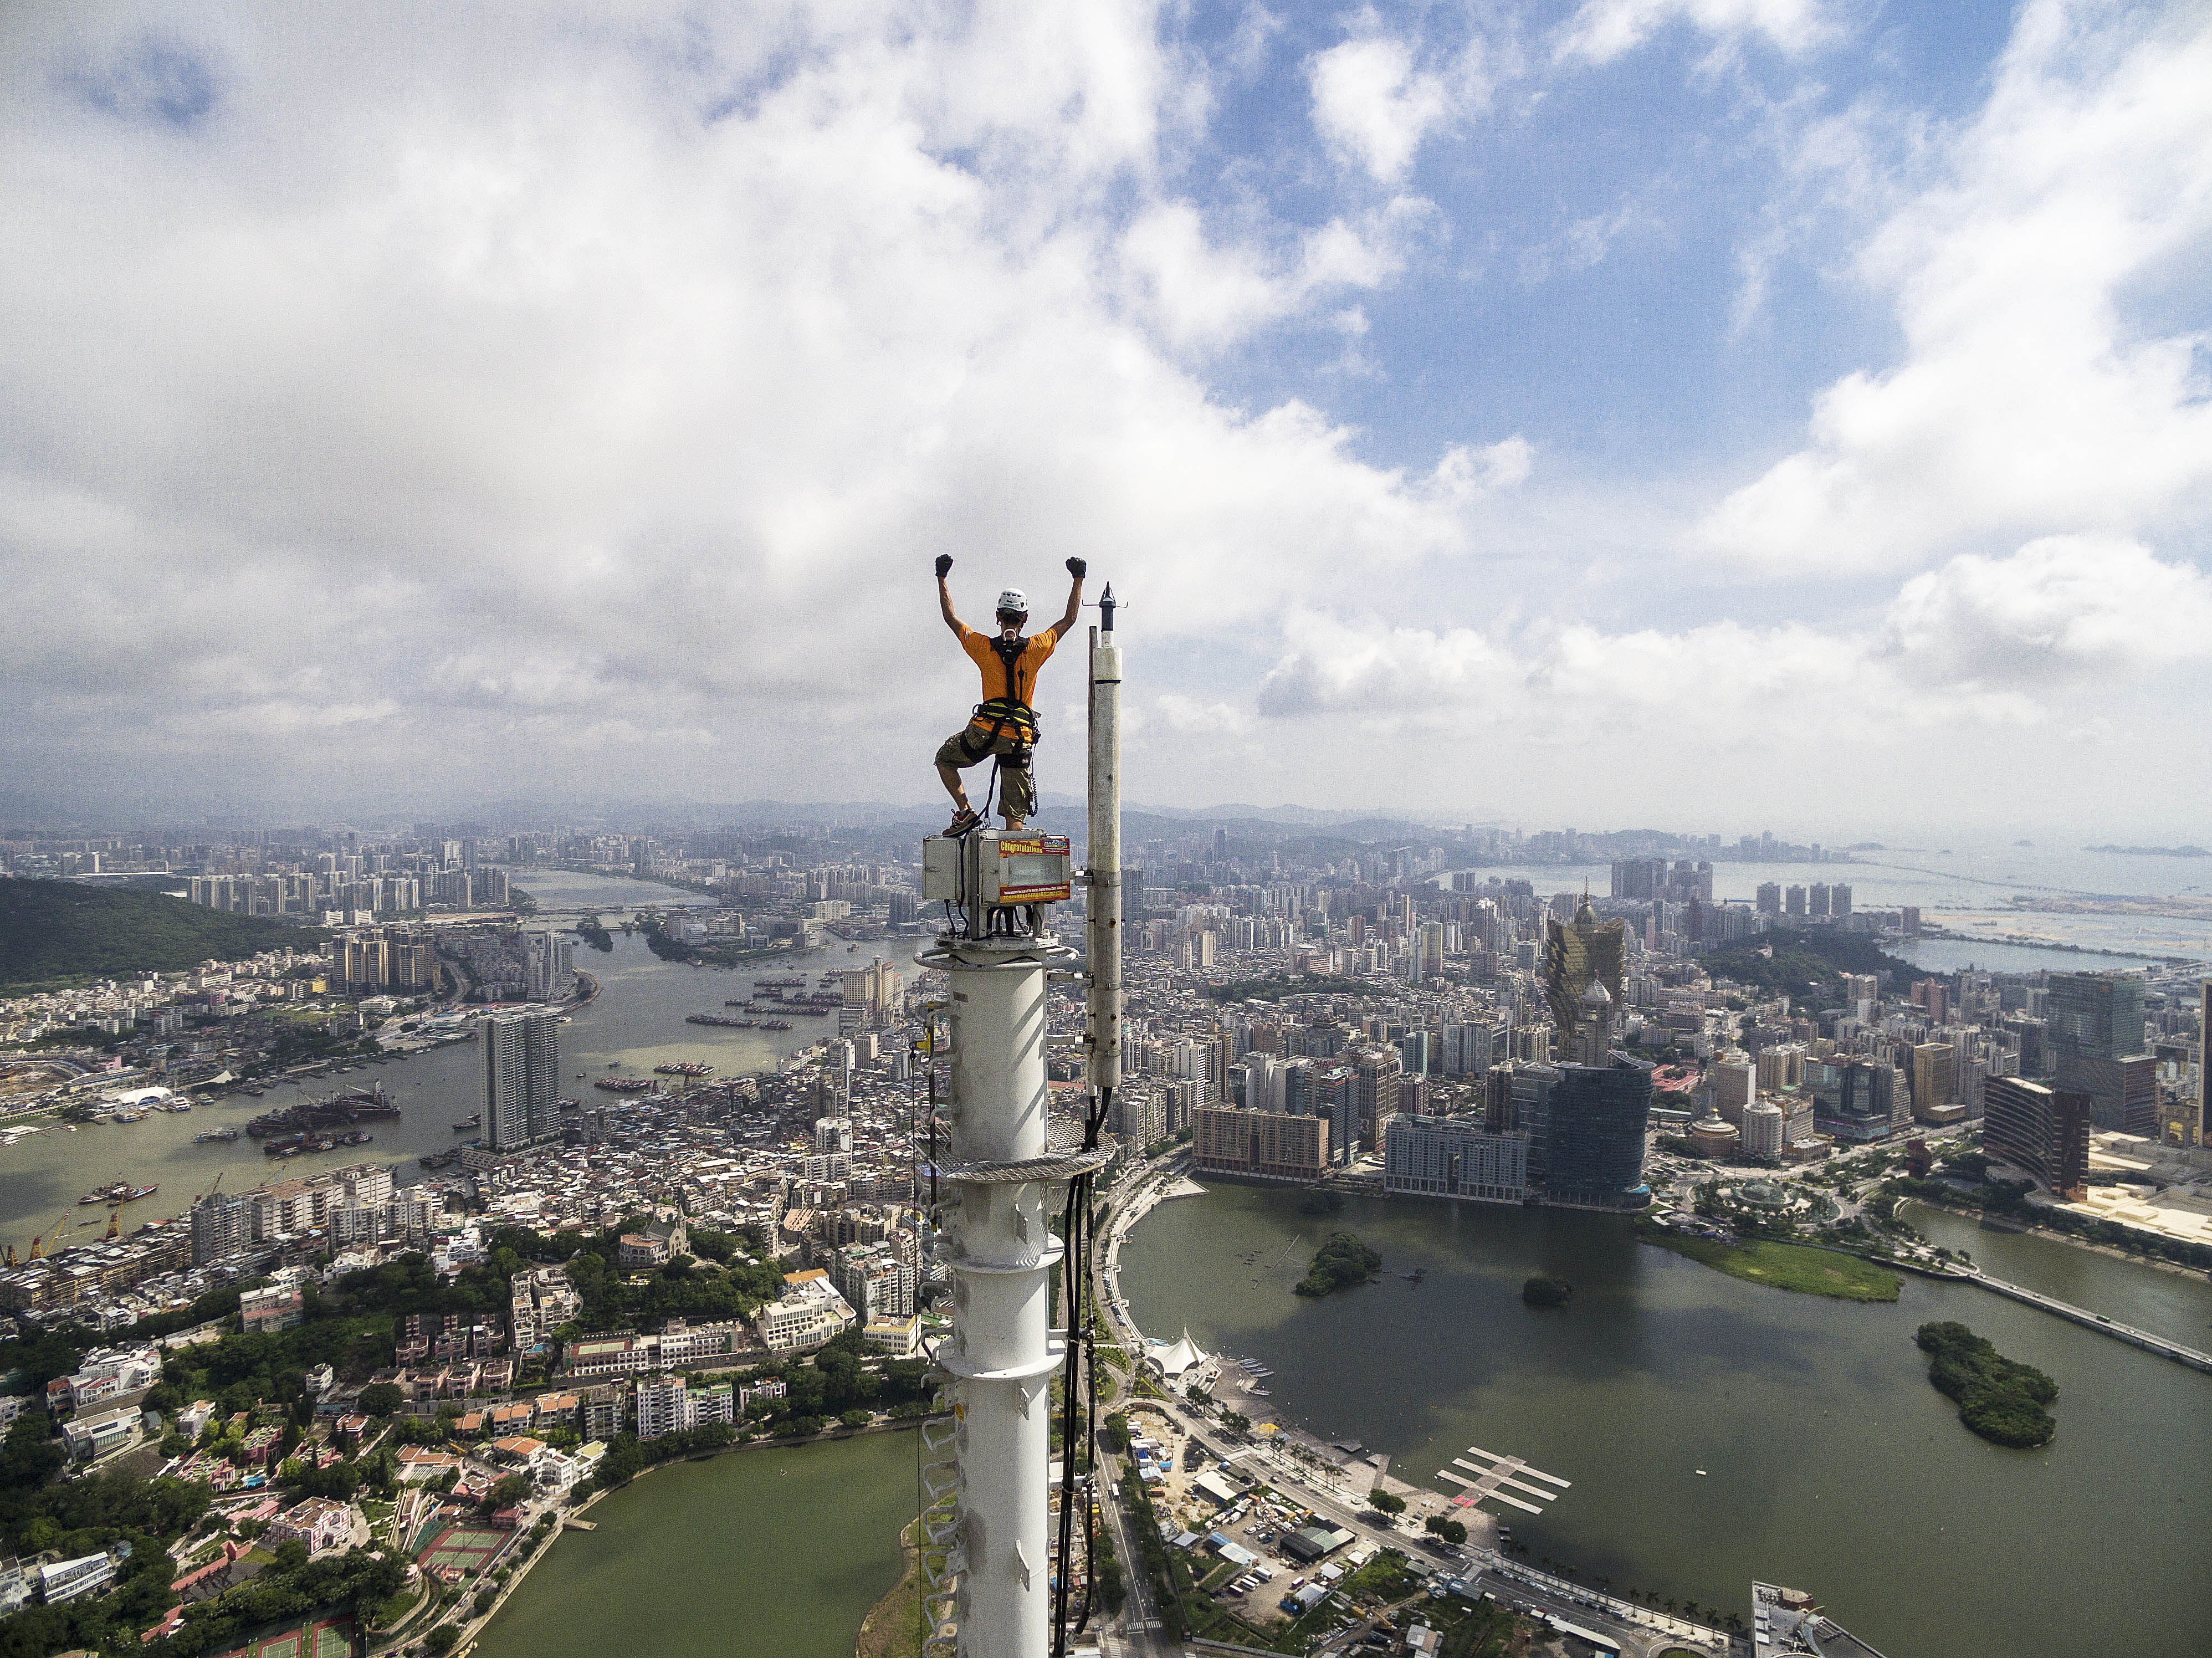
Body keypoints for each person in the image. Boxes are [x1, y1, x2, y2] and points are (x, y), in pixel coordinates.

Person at [933, 554, 1085, 834]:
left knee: (945, 759)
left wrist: (942, 577)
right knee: (1015, 820)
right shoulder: (1036, 648)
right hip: (1018, 738)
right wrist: (1078, 578)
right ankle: (1012, 872)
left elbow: (950, 618)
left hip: (983, 732)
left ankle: (966, 812)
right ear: (1025, 619)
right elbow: (1069, 620)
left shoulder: (982, 647)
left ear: (997, 618)